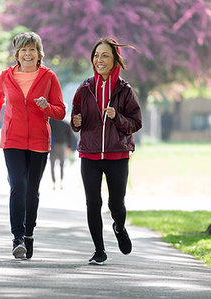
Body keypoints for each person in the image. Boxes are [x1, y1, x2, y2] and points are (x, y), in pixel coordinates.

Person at [0, 32, 66, 259]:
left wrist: (46, 106)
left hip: (40, 141)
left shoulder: (49, 77)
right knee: (18, 186)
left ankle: (29, 234)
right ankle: (17, 238)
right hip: (12, 139)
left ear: (39, 54)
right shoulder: (6, 76)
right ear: (17, 54)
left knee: (32, 191)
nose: (27, 54)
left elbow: (60, 111)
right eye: (23, 50)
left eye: (32, 49)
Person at [70, 38, 142, 265]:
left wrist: (116, 117)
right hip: (89, 154)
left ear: (114, 61)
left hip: (117, 154)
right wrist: (76, 121)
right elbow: (74, 119)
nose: (99, 60)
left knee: (116, 204)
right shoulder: (84, 88)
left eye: (105, 56)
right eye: (96, 55)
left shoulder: (125, 90)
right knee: (93, 202)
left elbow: (136, 123)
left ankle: (119, 227)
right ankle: (99, 251)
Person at [49, 118, 76, 190]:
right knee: (60, 164)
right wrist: (69, 146)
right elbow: (70, 135)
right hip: (59, 146)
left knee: (54, 165)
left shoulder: (50, 121)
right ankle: (58, 182)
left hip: (54, 146)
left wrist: (69, 146)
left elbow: (70, 135)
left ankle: (56, 183)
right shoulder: (64, 123)